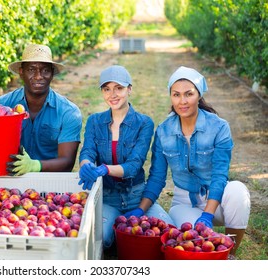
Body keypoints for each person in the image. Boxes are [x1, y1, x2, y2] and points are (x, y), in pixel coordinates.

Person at [135, 66, 250, 258]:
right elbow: (156, 178)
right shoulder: (163, 132)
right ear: (170, 97)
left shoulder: (219, 127)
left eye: (189, 94)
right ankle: (214, 241)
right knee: (197, 241)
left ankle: (231, 254)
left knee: (238, 192)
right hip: (184, 202)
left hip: (218, 198)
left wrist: (208, 214)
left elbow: (220, 175)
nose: (182, 101)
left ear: (199, 94)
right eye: (176, 95)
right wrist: (140, 210)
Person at [78, 65, 174, 250]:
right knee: (101, 241)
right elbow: (87, 151)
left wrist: (105, 168)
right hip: (107, 197)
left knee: (167, 235)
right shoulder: (95, 121)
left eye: (119, 88)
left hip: (137, 196)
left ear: (129, 89)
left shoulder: (144, 123)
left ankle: (125, 230)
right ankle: (119, 231)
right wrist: (86, 165)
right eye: (107, 89)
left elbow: (134, 165)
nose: (112, 94)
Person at [0, 43, 82, 175]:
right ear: (21, 72)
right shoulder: (2, 106)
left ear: (52, 73)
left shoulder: (68, 112)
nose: (38, 76)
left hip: (50, 184)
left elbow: (67, 162)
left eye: (45, 70)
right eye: (31, 70)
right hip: (10, 179)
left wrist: (34, 165)